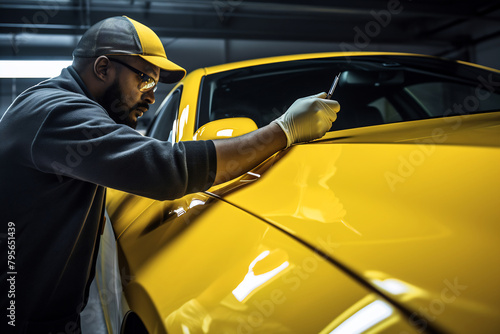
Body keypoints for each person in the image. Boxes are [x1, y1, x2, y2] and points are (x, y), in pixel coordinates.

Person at [0, 16, 339, 333]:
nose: (151, 94)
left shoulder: (55, 106)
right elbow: (167, 168)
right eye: (144, 78)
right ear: (102, 68)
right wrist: (283, 130)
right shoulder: (55, 112)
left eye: (155, 83)